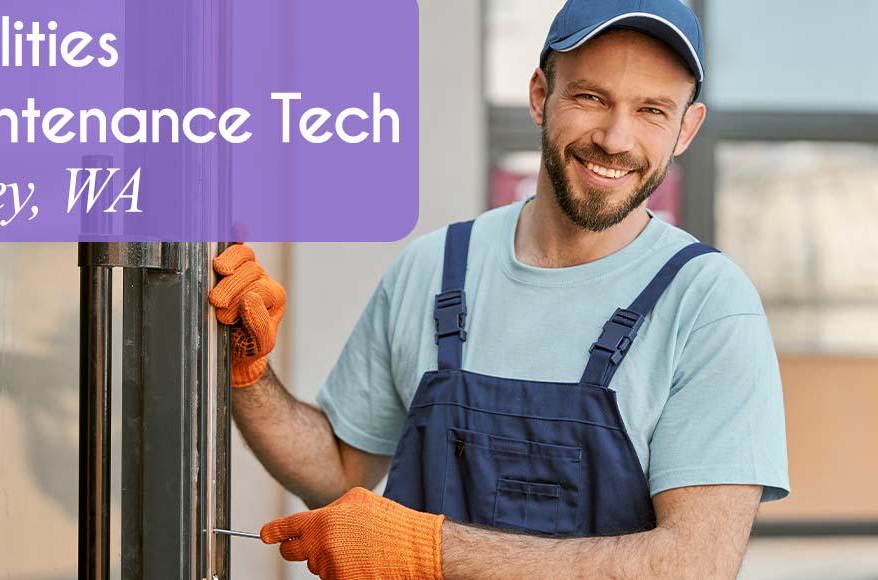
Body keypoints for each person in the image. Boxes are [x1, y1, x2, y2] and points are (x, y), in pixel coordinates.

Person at [208, 0, 790, 577]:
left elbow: (694, 564)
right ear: (541, 95)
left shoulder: (707, 304)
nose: (616, 139)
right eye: (591, 97)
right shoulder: (434, 267)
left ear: (686, 129)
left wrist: (430, 550)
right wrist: (247, 375)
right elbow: (337, 474)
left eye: (652, 111)